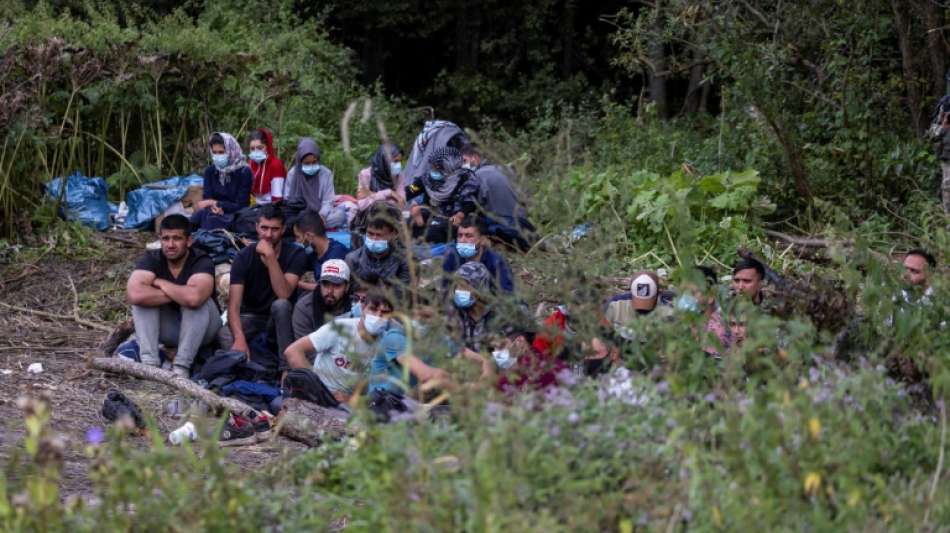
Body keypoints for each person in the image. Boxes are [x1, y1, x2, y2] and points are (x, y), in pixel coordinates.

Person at [126, 214, 220, 377]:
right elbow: (135, 294)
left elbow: (194, 299)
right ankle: (149, 364)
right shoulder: (152, 258)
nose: (170, 245)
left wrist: (161, 283)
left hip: (203, 330)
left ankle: (181, 367)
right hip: (170, 329)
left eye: (177, 238)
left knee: (197, 304)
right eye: (166, 238)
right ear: (160, 240)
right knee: (143, 302)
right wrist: (183, 293)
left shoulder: (201, 260)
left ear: (188, 241)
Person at [221, 205, 308, 372]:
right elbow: (234, 306)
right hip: (251, 317)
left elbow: (284, 293)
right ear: (256, 227)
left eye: (275, 229)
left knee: (281, 305)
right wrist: (239, 339)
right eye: (264, 228)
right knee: (224, 335)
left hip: (280, 319)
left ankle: (285, 369)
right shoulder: (243, 257)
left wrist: (270, 258)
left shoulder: (296, 254)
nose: (268, 234)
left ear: (283, 229)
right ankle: (256, 367)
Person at [284, 291, 394, 403]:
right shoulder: (339, 328)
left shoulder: (390, 344)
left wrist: (350, 400)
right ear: (362, 308)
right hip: (317, 396)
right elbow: (293, 351)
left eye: (384, 312)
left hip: (352, 407)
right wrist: (317, 389)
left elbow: (384, 392)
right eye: (373, 309)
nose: (378, 316)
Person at [461, 143, 535, 250]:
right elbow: (528, 200)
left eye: (464, 161)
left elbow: (470, 207)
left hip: (504, 229)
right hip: (526, 227)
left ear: (475, 158)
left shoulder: (476, 177)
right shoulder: (507, 169)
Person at [405, 146, 480, 242]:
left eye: (440, 167)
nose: (435, 170)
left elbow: (470, 203)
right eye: (433, 166)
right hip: (431, 214)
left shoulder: (465, 179)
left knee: (436, 229)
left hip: (453, 218)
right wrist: (411, 206)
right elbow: (411, 190)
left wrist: (460, 215)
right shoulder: (427, 180)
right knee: (409, 223)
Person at [191, 132, 252, 230]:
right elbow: (207, 198)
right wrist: (214, 207)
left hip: (236, 215)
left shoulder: (244, 172)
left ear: (231, 151)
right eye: (214, 152)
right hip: (213, 211)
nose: (217, 156)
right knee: (197, 218)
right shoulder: (210, 171)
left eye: (221, 152)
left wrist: (215, 203)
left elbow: (241, 205)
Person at [441, 215, 515, 294]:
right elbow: (445, 289)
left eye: (468, 236)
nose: (462, 240)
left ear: (482, 240)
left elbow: (507, 294)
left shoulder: (497, 262)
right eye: (460, 236)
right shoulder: (452, 257)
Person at [285, 137, 345, 229]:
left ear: (318, 159)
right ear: (300, 162)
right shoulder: (293, 174)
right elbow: (287, 199)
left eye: (314, 162)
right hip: (298, 214)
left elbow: (328, 201)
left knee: (340, 215)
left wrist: (321, 216)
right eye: (307, 163)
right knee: (285, 217)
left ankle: (304, 227)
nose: (311, 166)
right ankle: (312, 227)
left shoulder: (326, 173)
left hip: (319, 215)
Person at [345, 210, 411, 292]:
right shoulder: (352, 259)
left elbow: (402, 293)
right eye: (370, 233)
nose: (374, 239)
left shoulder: (404, 261)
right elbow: (349, 291)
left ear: (393, 234)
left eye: (379, 235)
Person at [291, 259, 353, 341]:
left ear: (347, 287)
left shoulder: (356, 306)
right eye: (325, 284)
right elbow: (304, 347)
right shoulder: (304, 308)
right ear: (319, 284)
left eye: (336, 285)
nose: (330, 291)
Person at [604, 271, 670, 341]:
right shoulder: (615, 304)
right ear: (631, 292)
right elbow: (602, 329)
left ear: (658, 293)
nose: (642, 309)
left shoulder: (667, 309)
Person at [293, 210, 349, 292]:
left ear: (309, 236)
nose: (297, 241)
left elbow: (327, 288)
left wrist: (297, 283)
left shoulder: (336, 254)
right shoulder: (313, 253)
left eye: (298, 237)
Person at [356, 143, 406, 212]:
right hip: (370, 215)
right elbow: (361, 205)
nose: (398, 165)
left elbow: (401, 201)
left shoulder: (399, 176)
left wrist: (372, 195)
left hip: (391, 214)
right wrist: (388, 193)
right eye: (395, 161)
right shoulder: (366, 174)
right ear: (384, 159)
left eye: (400, 162)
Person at [247, 128, 287, 205]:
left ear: (267, 147)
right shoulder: (251, 164)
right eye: (252, 148)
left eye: (260, 148)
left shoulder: (275, 165)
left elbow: (277, 199)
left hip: (272, 206)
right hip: (256, 205)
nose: (255, 151)